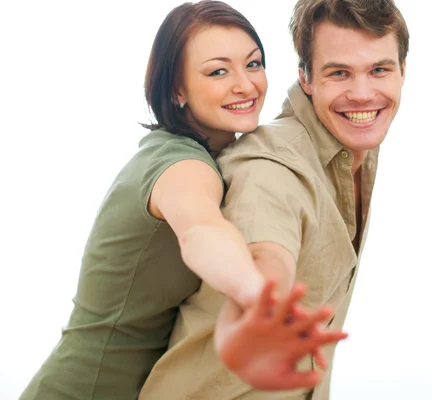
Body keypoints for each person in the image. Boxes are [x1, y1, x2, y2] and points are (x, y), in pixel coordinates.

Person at [19, 1, 345, 399]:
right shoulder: (184, 166)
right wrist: (258, 297)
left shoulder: (221, 155)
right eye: (218, 71)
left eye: (254, 64)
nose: (245, 84)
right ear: (177, 89)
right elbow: (201, 230)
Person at [140, 0, 410, 398]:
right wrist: (260, 306)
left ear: (403, 71)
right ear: (305, 78)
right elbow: (266, 253)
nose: (362, 93)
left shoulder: (352, 147)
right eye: (339, 73)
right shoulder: (269, 165)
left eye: (379, 70)